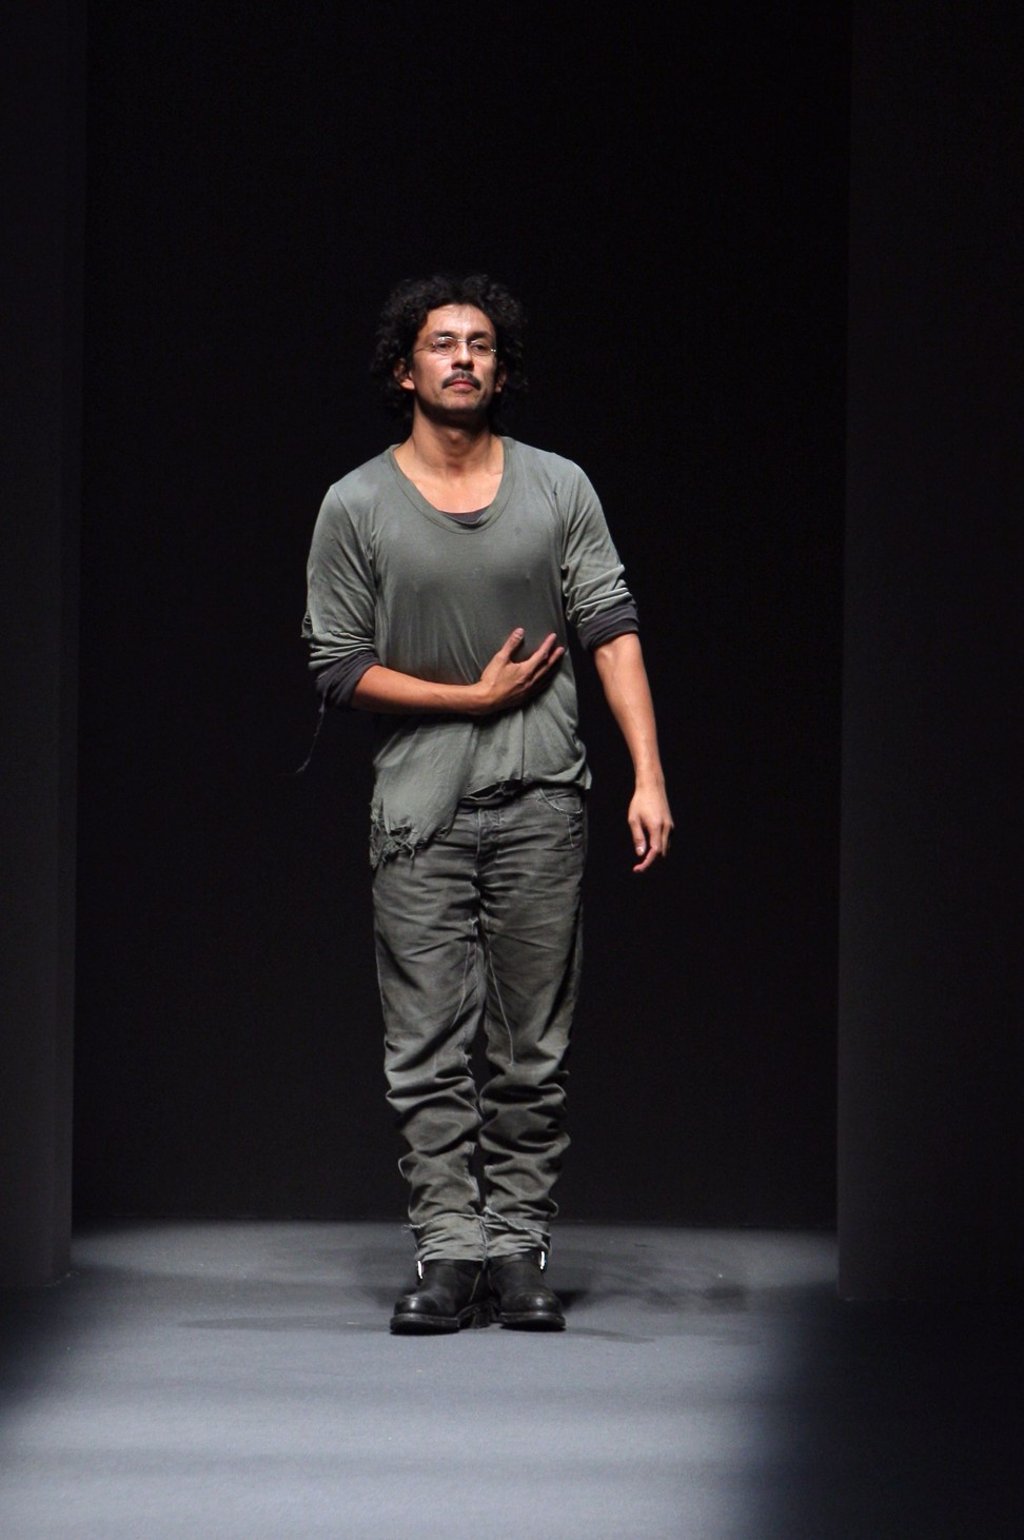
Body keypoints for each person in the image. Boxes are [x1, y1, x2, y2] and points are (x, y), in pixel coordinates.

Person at [303, 273, 672, 1334]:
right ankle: (447, 1251)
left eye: (479, 345)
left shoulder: (558, 487)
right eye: (441, 343)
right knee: (423, 1042)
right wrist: (466, 698)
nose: (461, 358)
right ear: (403, 368)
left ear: (501, 369)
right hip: (418, 810)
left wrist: (649, 774)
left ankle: (516, 1250)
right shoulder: (357, 503)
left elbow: (611, 629)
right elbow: (335, 663)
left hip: (543, 797)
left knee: (530, 1044)